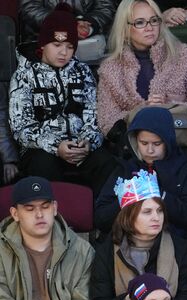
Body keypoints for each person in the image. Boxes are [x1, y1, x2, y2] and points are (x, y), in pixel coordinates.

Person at [9, 4, 116, 196]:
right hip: (41, 147)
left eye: (69, 47)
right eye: (57, 45)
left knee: (107, 164)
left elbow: (94, 115)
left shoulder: (82, 71)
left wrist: (88, 142)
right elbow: (21, 127)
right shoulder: (24, 74)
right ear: (43, 44)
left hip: (79, 145)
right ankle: (56, 221)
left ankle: (100, 220)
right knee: (43, 166)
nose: (63, 52)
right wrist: (55, 146)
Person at [0, 176, 104, 300]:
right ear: (15, 214)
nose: (39, 215)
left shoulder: (81, 250)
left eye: (45, 206)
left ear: (55, 208)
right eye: (30, 209)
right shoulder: (1, 250)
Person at [91, 170, 187, 300]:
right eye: (147, 212)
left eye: (160, 210)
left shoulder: (180, 246)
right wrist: (131, 299)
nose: (156, 217)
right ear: (128, 216)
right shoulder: (107, 251)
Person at [97, 0, 187, 138]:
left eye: (154, 20)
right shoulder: (110, 69)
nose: (149, 27)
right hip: (132, 148)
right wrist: (143, 111)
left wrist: (168, 106)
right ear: (124, 28)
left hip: (179, 143)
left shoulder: (186, 57)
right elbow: (107, 123)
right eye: (140, 22)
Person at [95, 107, 187, 240]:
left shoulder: (185, 169)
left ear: (168, 141)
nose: (150, 150)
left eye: (157, 143)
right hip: (128, 241)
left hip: (170, 243)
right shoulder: (125, 169)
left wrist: (159, 194)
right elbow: (100, 219)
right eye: (143, 143)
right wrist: (127, 197)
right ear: (135, 141)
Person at [19, 0, 115, 41]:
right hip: (46, 40)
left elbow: (106, 7)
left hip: (90, 42)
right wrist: (65, 23)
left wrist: (88, 26)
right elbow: (29, 8)